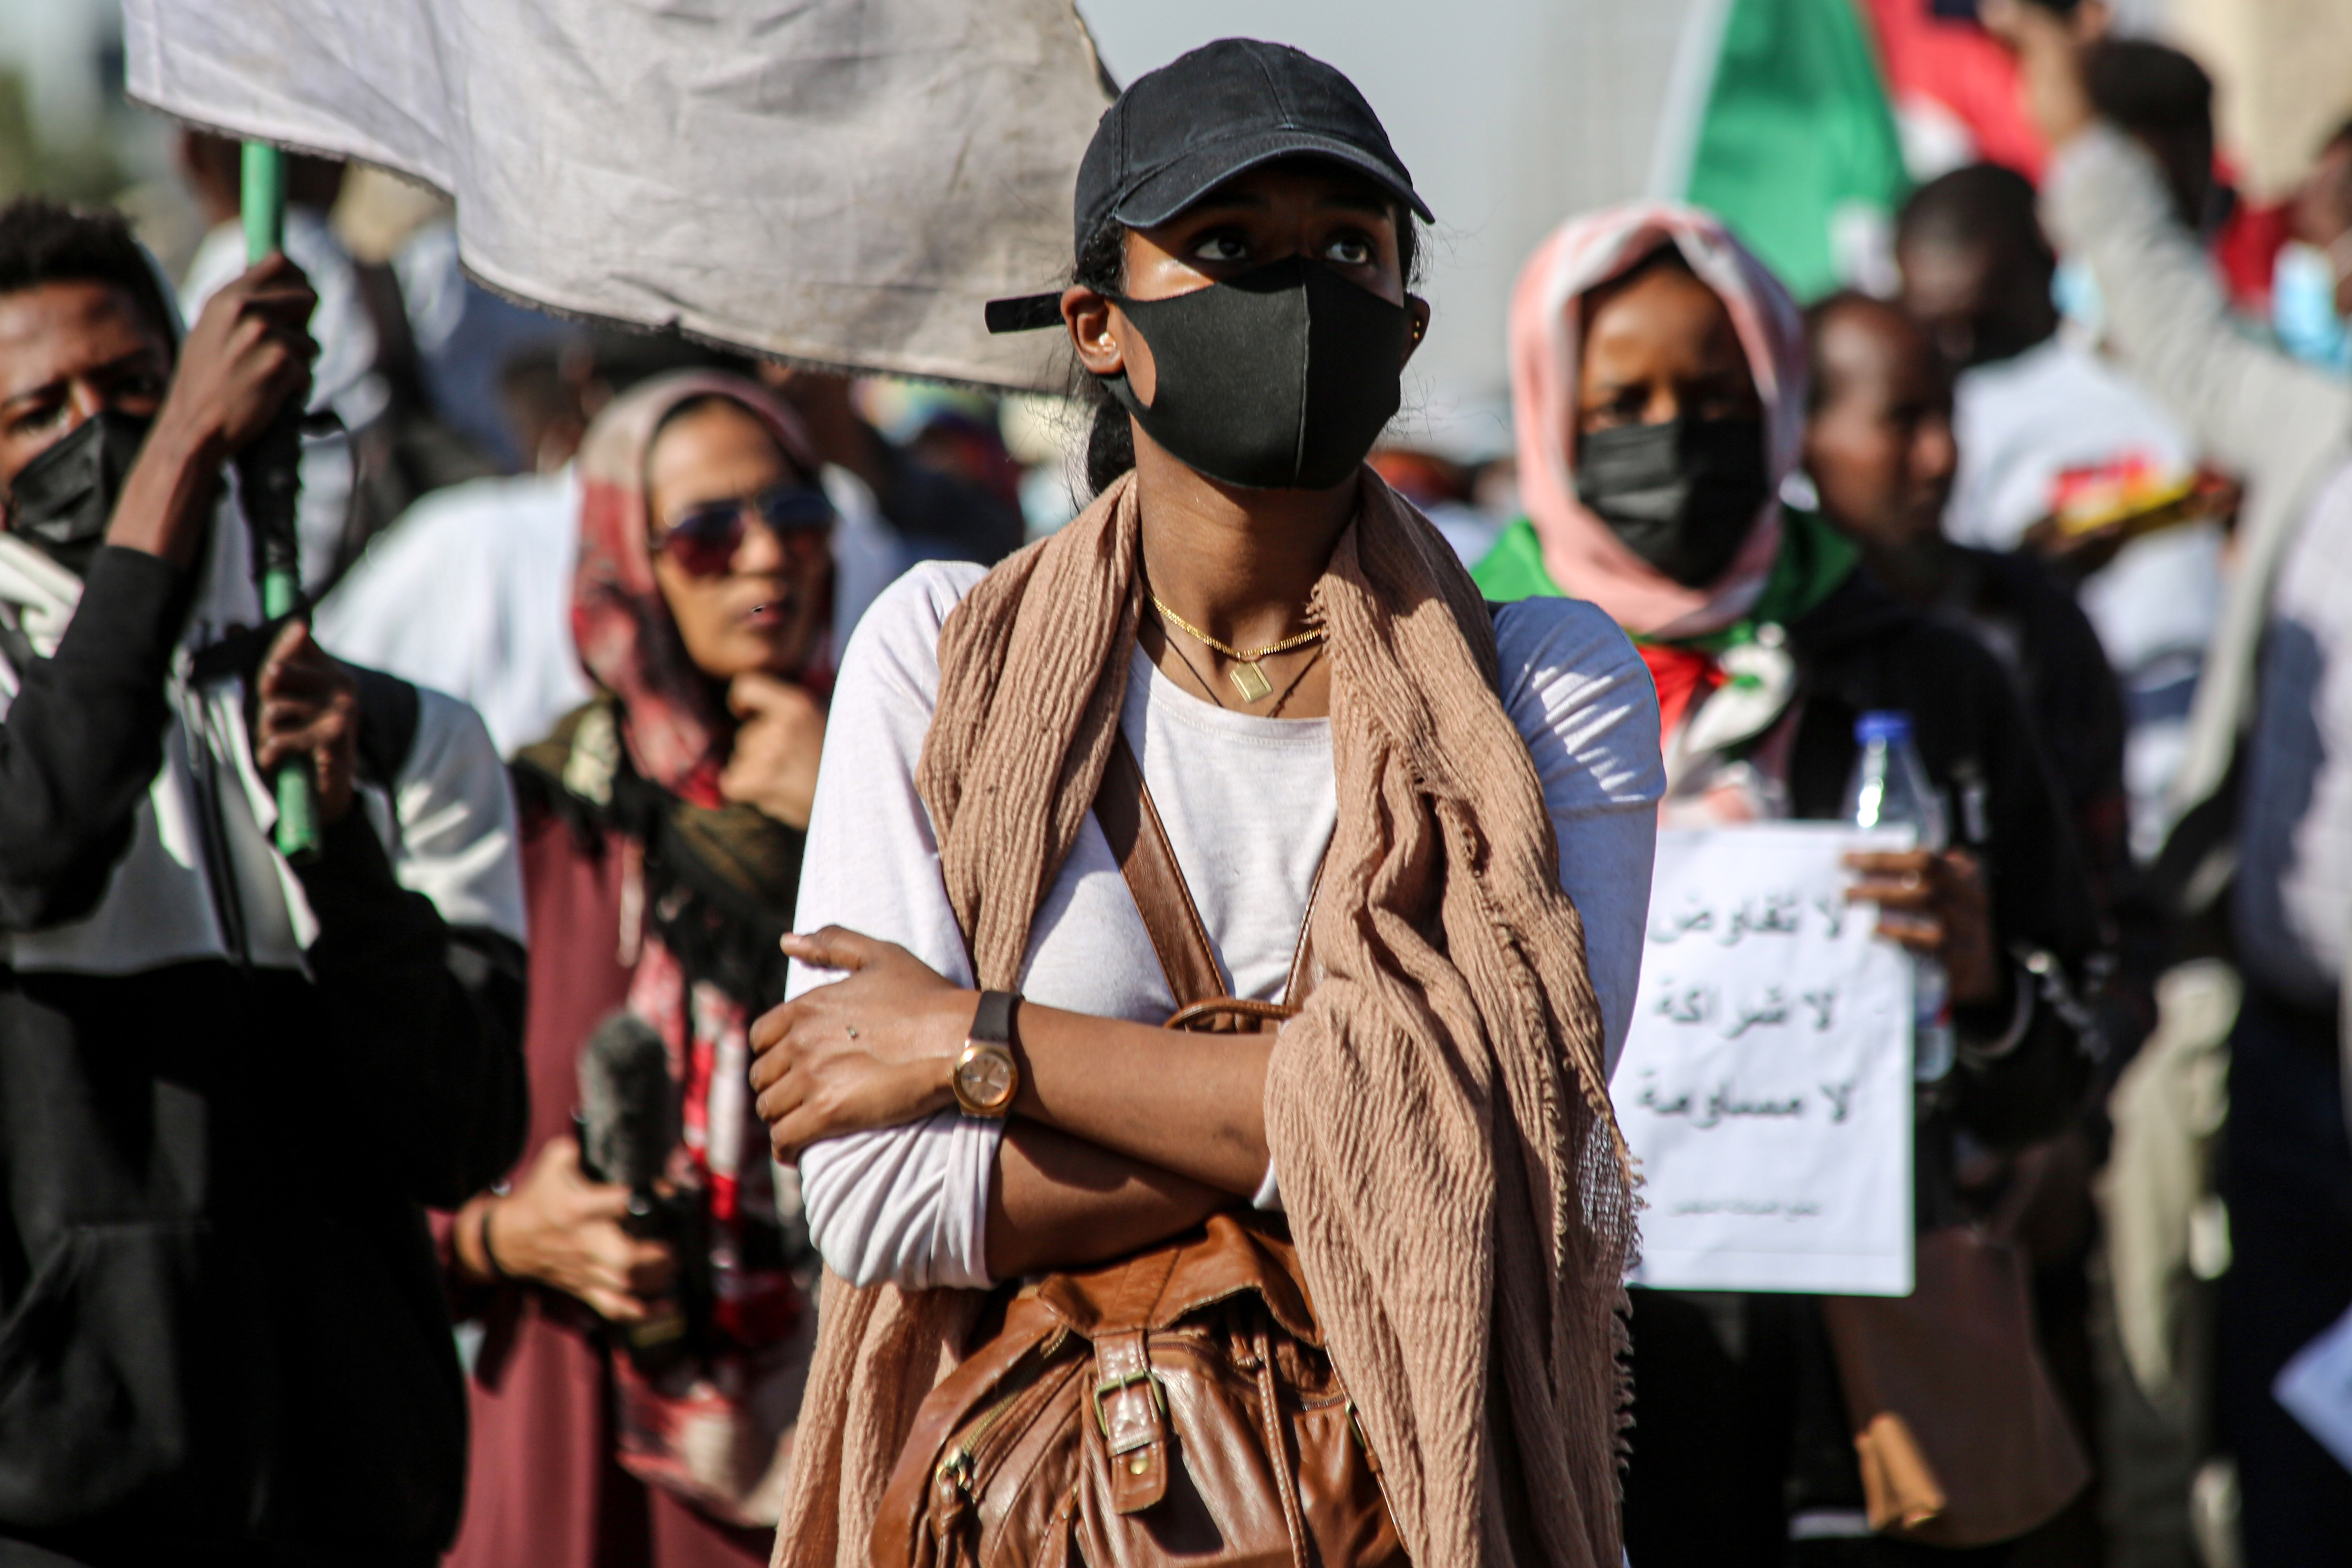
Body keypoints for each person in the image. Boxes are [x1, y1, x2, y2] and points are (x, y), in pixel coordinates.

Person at [747, 38, 1660, 1567]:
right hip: (1039, 1507)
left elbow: (1522, 1153)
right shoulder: (939, 660)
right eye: (1230, 247)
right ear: (1099, 325)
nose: (1298, 289)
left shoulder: (1545, 685)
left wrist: (982, 1048)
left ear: (1407, 319)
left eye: (1347, 249)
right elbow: (882, 1196)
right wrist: (1348, 1118)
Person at [1479, 202, 2105, 1562]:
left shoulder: (1922, 678)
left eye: (1712, 395)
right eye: (1623, 398)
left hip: (1872, 1422)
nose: (1671, 432)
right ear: (1547, 409)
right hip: (1578, 1387)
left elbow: (2067, 1050)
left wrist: (1983, 979)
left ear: (1774, 403)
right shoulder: (1470, 680)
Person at [0, 200, 527, 1565]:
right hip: (74, 1518)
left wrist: (343, 849)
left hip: (358, 1508)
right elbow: (38, 848)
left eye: (131, 389)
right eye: (33, 412)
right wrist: (174, 462)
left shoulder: (412, 742)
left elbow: (460, 1135)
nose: (93, 431)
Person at [1991, 3, 2352, 1559]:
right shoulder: (2318, 436)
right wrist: (2065, 105)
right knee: (2287, 1443)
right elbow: (2163, 303)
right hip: (2283, 1054)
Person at [436, 370, 832, 1567]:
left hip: (830, 1458)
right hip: (568, 1468)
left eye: (797, 518)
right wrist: (509, 1239)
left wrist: (846, 828)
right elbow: (342, 1171)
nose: (766, 559)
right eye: (709, 532)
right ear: (624, 558)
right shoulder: (526, 827)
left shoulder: (912, 797)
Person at [1895, 162, 2216, 859]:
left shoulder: (2146, 388)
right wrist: (2023, 578)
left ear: (2041, 259)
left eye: (1977, 325)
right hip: (2022, 811)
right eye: (1935, 328)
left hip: (2180, 796)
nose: (1956, 353)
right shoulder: (1914, 415)